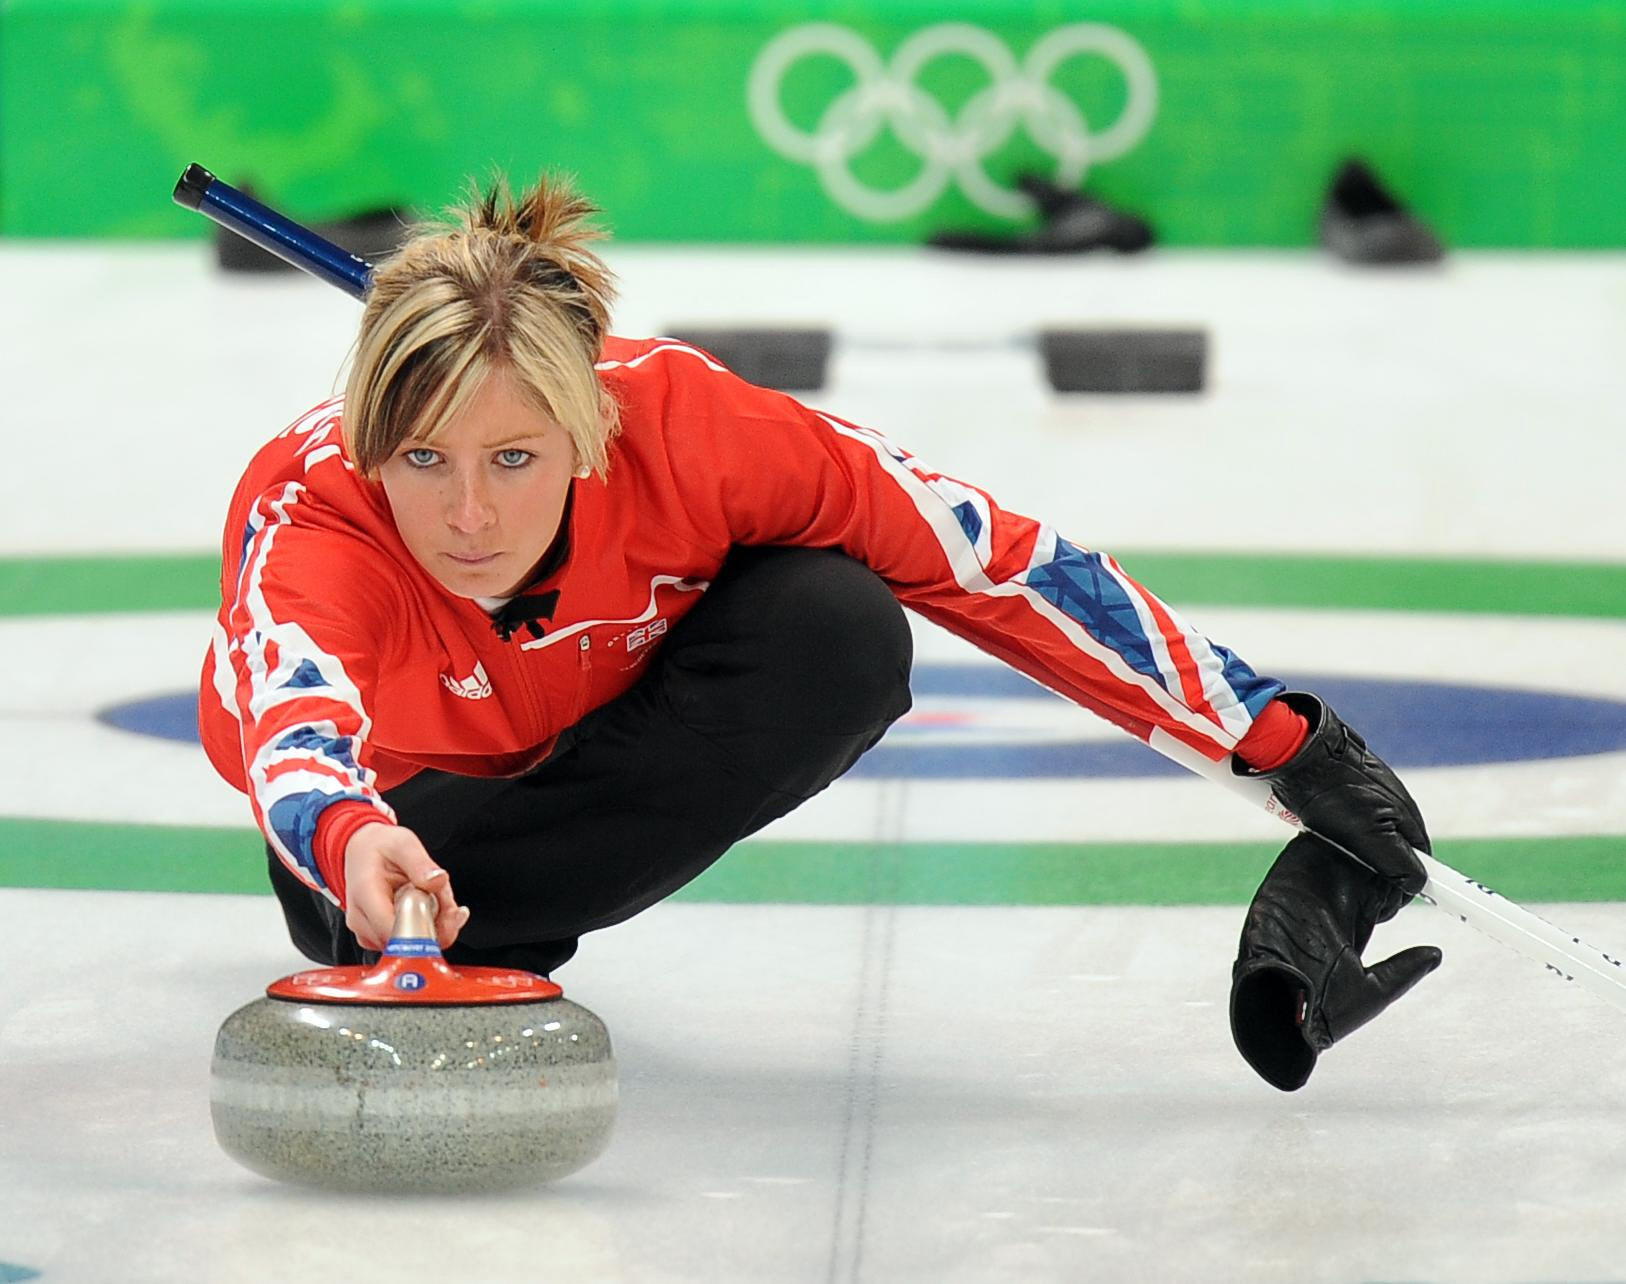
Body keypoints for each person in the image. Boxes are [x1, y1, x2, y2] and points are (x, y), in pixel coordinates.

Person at [199, 173, 1440, 1092]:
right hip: (401, 809)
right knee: (360, 860)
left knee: (837, 625)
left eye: (514, 459)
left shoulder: (693, 428)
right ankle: (425, 916)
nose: (469, 514)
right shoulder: (312, 518)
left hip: (580, 723)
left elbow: (993, 561)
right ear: (372, 444)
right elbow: (297, 734)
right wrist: (356, 840)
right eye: (423, 459)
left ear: (587, 435)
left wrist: (1279, 742)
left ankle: (472, 922)